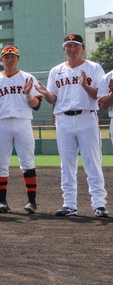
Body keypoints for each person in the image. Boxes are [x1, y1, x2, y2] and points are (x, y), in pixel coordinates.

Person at [35, 34, 109, 218]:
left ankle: (99, 204)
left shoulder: (94, 68)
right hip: (64, 119)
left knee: (93, 162)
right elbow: (53, 98)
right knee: (66, 164)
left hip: (86, 117)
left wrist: (85, 85)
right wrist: (45, 93)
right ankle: (69, 204)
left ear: (83, 48)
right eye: (68, 46)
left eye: (76, 46)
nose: (72, 49)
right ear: (64, 49)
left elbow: (98, 97)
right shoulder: (56, 71)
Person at [0, 45, 42, 213]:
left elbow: (37, 105)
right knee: (0, 164)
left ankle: (32, 203)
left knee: (27, 163)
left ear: (18, 59)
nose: (10, 60)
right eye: (6, 57)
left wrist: (28, 94)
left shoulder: (27, 78)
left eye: (13, 56)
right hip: (2, 123)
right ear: (1, 60)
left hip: (23, 122)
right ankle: (2, 202)